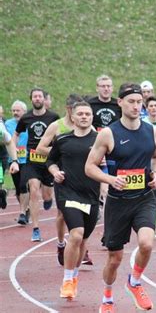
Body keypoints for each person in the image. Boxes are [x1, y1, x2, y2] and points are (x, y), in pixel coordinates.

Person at [85, 82, 156, 312]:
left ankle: (135, 282)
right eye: (131, 102)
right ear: (120, 103)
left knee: (147, 243)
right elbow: (89, 167)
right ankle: (107, 298)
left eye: (140, 102)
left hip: (144, 198)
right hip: (118, 202)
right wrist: (110, 180)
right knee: (115, 258)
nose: (137, 106)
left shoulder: (151, 131)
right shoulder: (109, 134)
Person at [46, 101, 100, 301]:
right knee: (76, 235)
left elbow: (114, 161)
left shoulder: (99, 140)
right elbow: (50, 160)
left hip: (92, 196)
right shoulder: (62, 139)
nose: (84, 117)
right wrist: (55, 172)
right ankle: (67, 279)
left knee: (83, 240)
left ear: (92, 117)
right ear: (73, 117)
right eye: (81, 114)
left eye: (88, 114)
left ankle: (74, 277)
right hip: (68, 193)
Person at [36, 94, 81, 266]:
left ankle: (81, 249)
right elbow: (40, 148)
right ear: (69, 110)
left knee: (84, 213)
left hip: (81, 175)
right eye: (75, 110)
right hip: (61, 175)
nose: (80, 115)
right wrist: (61, 152)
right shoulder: (57, 126)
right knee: (63, 213)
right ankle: (62, 243)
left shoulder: (87, 126)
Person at [13, 88, 60, 241]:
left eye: (40, 96)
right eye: (35, 96)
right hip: (32, 160)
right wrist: (13, 150)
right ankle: (35, 229)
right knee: (33, 190)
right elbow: (16, 133)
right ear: (31, 99)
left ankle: (48, 200)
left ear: (44, 99)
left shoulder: (53, 117)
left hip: (48, 160)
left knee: (46, 195)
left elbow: (59, 135)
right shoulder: (26, 118)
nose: (38, 99)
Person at [5, 100, 29, 220]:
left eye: (18, 110)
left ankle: (22, 213)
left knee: (24, 185)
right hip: (13, 159)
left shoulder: (29, 122)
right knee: (18, 188)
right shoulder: (8, 124)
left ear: (24, 111)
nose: (15, 112)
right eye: (13, 110)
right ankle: (24, 208)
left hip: (27, 159)